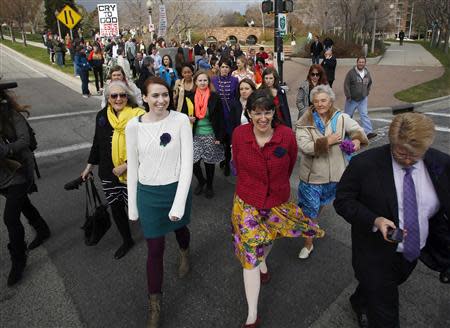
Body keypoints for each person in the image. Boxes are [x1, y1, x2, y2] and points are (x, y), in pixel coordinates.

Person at [334, 113, 450, 328]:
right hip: (375, 254)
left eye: (414, 155)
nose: (407, 159)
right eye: (400, 152)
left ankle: (360, 299)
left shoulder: (441, 163)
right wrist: (375, 220)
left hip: (414, 251)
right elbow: (343, 201)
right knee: (385, 316)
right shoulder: (364, 165)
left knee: (386, 284)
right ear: (391, 142)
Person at [231, 89, 325, 327]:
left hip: (277, 202)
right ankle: (252, 314)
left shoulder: (286, 135)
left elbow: (291, 162)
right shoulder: (239, 134)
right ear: (249, 113)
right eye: (257, 112)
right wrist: (249, 189)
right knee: (250, 256)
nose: (263, 118)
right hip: (247, 203)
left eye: (268, 112)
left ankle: (263, 262)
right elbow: (239, 166)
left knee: (269, 238)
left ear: (274, 112)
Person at [126, 77, 193, 328]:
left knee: (180, 229)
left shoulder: (181, 120)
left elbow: (187, 163)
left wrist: (178, 204)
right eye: (154, 95)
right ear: (144, 98)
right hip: (148, 194)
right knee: (154, 249)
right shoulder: (133, 126)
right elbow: (133, 167)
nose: (161, 100)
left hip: (176, 189)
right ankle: (154, 303)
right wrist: (132, 205)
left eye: (165, 95)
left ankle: (185, 252)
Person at [296, 85, 368, 259]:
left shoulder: (341, 118)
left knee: (318, 207)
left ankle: (312, 223)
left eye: (324, 100)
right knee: (310, 210)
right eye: (316, 101)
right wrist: (327, 140)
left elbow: (358, 131)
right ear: (312, 102)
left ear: (330, 101)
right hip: (312, 178)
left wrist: (357, 141)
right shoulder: (304, 122)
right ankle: (308, 244)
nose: (320, 104)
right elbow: (305, 147)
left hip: (335, 176)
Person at [81, 81, 145, 259]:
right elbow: (97, 143)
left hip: (132, 172)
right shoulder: (102, 116)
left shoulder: (138, 116)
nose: (118, 99)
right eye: (114, 96)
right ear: (108, 98)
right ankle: (127, 240)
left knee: (136, 206)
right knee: (116, 208)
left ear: (128, 96)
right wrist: (89, 167)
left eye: (122, 95)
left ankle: (153, 232)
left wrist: (126, 165)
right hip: (108, 173)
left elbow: (146, 146)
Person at [0, 89, 50, 286]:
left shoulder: (11, 115)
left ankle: (18, 260)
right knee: (23, 204)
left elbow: (25, 141)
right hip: (1, 177)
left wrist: (5, 149)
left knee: (10, 217)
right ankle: (42, 229)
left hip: (18, 171)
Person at [192, 71, 225, 198]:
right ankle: (201, 181)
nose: (202, 83)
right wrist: (188, 119)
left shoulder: (215, 97)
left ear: (208, 82)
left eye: (205, 80)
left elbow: (221, 118)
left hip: (210, 134)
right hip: (194, 134)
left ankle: (210, 185)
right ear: (196, 82)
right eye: (200, 80)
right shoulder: (190, 96)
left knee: (209, 163)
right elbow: (182, 114)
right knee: (194, 162)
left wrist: (219, 137)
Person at [211, 58, 239, 177]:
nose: (224, 69)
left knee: (228, 140)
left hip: (230, 114)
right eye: (222, 67)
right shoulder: (213, 80)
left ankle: (227, 163)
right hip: (218, 114)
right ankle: (222, 159)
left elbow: (236, 97)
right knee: (219, 139)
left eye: (227, 67)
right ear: (219, 68)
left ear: (230, 69)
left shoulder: (234, 80)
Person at [344, 57, 377, 139]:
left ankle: (368, 132)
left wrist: (367, 92)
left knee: (364, 115)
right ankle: (344, 131)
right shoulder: (351, 73)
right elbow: (346, 84)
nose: (361, 63)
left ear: (365, 63)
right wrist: (348, 95)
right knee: (347, 116)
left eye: (363, 62)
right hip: (352, 99)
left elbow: (369, 83)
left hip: (363, 99)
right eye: (359, 62)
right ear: (357, 62)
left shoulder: (367, 73)